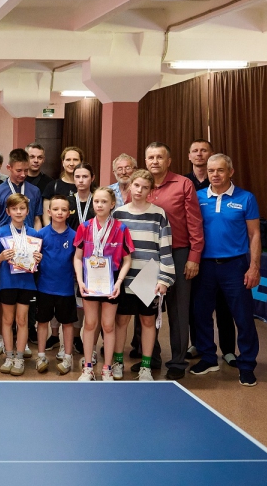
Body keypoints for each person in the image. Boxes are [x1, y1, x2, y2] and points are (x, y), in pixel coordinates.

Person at [190, 154, 261, 387]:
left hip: (235, 266)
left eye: (220, 170)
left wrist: (254, 266)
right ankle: (208, 357)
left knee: (243, 317)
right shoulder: (198, 197)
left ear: (230, 172)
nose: (215, 175)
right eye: (211, 171)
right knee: (201, 314)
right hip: (204, 265)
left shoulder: (246, 198)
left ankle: (247, 364)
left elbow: (254, 235)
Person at [145, 141, 204, 380]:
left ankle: (178, 361)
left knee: (179, 310)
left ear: (168, 161)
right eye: (151, 157)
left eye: (159, 157)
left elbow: (195, 223)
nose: (155, 161)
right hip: (147, 256)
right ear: (145, 161)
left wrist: (194, 256)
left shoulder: (183, 184)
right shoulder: (140, 184)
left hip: (178, 253)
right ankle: (150, 357)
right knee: (146, 308)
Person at [113, 170, 175, 381]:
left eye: (145, 187)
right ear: (130, 186)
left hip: (149, 277)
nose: (139, 190)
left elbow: (165, 248)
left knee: (148, 322)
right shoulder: (118, 214)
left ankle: (146, 366)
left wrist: (164, 279)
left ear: (151, 190)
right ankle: (118, 362)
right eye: (136, 185)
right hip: (124, 277)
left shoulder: (159, 214)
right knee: (121, 320)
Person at [182, 139, 236, 366]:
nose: (199, 154)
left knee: (224, 305)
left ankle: (228, 349)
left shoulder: (222, 182)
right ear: (189, 156)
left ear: (212, 154)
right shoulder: (184, 182)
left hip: (222, 255)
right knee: (197, 305)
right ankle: (198, 344)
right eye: (195, 151)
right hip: (196, 253)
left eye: (204, 150)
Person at [73, 187, 134, 382]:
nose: (99, 205)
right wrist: (80, 280)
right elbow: (77, 257)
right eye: (96, 201)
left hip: (111, 280)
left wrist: (119, 282)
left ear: (112, 204)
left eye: (104, 202)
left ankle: (107, 368)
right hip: (89, 279)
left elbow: (127, 260)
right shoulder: (84, 227)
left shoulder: (121, 228)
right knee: (90, 323)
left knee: (108, 325)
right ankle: (88, 368)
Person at [0, 194, 42, 376]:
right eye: (14, 209)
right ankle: (9, 356)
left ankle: (19, 357)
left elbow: (38, 260)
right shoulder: (0, 232)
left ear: (28, 211)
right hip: (8, 282)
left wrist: (39, 258)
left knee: (22, 320)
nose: (18, 212)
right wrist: (1, 257)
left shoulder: (34, 234)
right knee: (6, 320)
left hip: (26, 283)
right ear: (8, 211)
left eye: (22, 208)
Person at [34, 195, 77, 375]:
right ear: (49, 212)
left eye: (64, 209)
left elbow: (78, 261)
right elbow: (32, 260)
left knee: (67, 323)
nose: (60, 212)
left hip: (66, 289)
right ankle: (41, 356)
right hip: (44, 287)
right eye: (56, 209)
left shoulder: (75, 236)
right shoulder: (41, 235)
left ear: (69, 213)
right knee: (42, 322)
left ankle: (67, 356)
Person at [0, 148, 43, 230]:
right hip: (5, 236)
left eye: (26, 170)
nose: (23, 174)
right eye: (19, 170)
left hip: (28, 236)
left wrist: (36, 236)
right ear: (9, 167)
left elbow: (37, 220)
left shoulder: (35, 191)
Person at [42, 146, 83, 224]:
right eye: (68, 160)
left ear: (81, 162)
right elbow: (46, 218)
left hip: (83, 230)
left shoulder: (88, 186)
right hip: (57, 230)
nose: (71, 163)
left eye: (75, 160)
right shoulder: (52, 186)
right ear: (62, 162)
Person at [66, 162, 97, 230]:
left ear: (92, 178)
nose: (81, 180)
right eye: (77, 177)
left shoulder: (97, 201)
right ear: (73, 178)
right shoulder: (67, 202)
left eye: (85, 176)